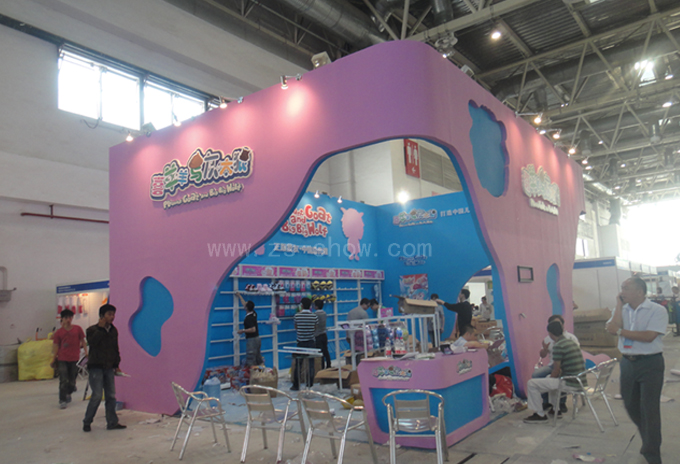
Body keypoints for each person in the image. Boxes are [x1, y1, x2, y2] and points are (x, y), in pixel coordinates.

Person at [606, 276, 668, 464]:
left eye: (626, 288)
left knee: (649, 409)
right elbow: (612, 327)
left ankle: (652, 453)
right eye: (621, 288)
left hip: (650, 363)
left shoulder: (657, 310)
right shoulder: (622, 309)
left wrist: (619, 331)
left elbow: (649, 336)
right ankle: (649, 439)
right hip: (628, 362)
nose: (622, 291)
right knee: (630, 404)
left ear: (639, 292)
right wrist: (619, 305)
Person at [523, 320, 585, 424]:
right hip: (579, 380)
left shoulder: (558, 346)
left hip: (569, 382)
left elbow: (556, 371)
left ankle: (539, 414)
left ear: (550, 334)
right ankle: (556, 410)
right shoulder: (571, 342)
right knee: (550, 380)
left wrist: (547, 382)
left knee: (531, 383)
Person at [83, 304, 126, 431]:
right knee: (96, 395)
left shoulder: (113, 330)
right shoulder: (91, 330)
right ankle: (87, 421)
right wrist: (101, 329)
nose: (112, 317)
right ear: (102, 316)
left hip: (109, 368)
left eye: (113, 314)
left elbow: (115, 349)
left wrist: (116, 365)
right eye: (109, 314)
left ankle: (112, 422)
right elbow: (93, 343)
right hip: (96, 367)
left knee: (111, 396)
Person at [533, 314, 580, 413]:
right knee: (536, 375)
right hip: (552, 365)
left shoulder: (571, 338)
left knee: (557, 378)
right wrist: (545, 350)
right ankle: (546, 401)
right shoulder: (547, 339)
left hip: (565, 367)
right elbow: (542, 355)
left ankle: (560, 403)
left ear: (562, 325)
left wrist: (553, 376)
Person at [51, 309, 87, 409]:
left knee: (72, 381)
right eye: (66, 318)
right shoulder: (59, 332)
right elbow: (56, 346)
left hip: (74, 358)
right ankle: (62, 399)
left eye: (70, 317)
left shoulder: (77, 329)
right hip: (62, 358)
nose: (68, 320)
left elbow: (83, 341)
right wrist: (53, 359)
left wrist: (86, 352)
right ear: (62, 319)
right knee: (63, 380)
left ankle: (68, 392)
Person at [292, 297, 318, 391]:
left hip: (300, 342)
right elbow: (315, 328)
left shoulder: (297, 316)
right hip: (311, 342)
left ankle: (296, 385)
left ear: (301, 306)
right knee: (311, 363)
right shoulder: (314, 316)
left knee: (298, 364)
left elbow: (296, 327)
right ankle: (309, 384)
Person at [236, 292, 263, 366]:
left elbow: (253, 329)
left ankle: (253, 371)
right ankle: (262, 370)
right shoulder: (254, 313)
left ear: (246, 308)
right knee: (258, 357)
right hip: (257, 338)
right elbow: (244, 304)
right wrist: (239, 296)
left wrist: (243, 331)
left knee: (251, 358)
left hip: (252, 340)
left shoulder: (248, 318)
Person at [314, 299, 331, 370]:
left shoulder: (315, 314)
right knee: (325, 350)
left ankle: (322, 366)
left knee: (320, 352)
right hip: (324, 334)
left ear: (316, 306)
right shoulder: (324, 313)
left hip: (317, 335)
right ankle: (329, 364)